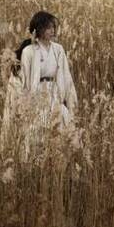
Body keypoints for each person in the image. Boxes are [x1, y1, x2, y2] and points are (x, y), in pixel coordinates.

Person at [19, 11, 78, 157]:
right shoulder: (29, 51)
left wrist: (70, 102)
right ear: (39, 29)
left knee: (60, 131)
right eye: (48, 27)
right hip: (37, 94)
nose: (53, 31)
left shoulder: (58, 49)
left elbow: (66, 77)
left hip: (54, 93)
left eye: (54, 27)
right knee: (38, 134)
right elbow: (24, 81)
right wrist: (25, 105)